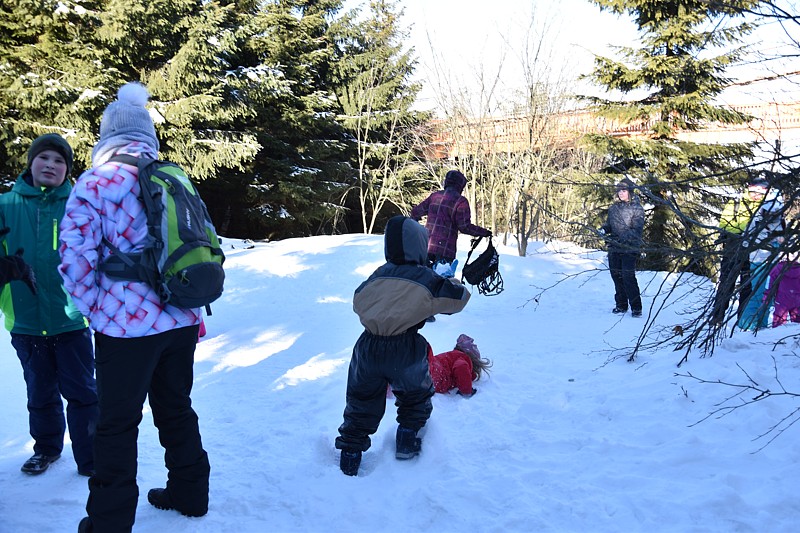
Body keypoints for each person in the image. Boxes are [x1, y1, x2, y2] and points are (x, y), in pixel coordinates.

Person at [58, 82, 210, 532]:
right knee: (176, 407)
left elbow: (74, 260)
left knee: (116, 424)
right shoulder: (173, 175)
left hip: (125, 329)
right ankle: (190, 493)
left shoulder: (94, 182)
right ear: (147, 135)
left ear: (105, 137)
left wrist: (90, 310)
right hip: (181, 317)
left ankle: (108, 521)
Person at [335, 215, 471, 476]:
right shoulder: (424, 277)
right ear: (419, 245)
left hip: (367, 348)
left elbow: (358, 300)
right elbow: (459, 299)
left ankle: (349, 456)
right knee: (415, 397)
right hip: (405, 348)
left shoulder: (378, 274)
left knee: (361, 401)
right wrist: (447, 281)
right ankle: (407, 443)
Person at [0, 133, 98, 478]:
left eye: (60, 161)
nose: (51, 165)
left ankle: (90, 457)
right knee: (39, 393)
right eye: (44, 158)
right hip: (25, 319)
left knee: (83, 392)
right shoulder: (4, 205)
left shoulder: (80, 205)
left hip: (70, 319)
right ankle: (46, 449)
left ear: (67, 170)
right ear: (31, 162)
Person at [410, 169, 492, 269]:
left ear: (447, 182)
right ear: (460, 185)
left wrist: (419, 231)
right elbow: (464, 227)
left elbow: (415, 212)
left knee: (425, 280)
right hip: (446, 252)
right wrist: (484, 232)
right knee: (441, 282)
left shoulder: (434, 196)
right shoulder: (461, 201)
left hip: (426, 248)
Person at [711, 180, 764, 324]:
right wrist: (746, 230)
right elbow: (725, 225)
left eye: (760, 192)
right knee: (726, 283)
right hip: (733, 249)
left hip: (754, 252)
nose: (756, 195)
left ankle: (743, 319)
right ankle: (717, 316)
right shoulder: (735, 203)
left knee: (748, 286)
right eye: (754, 191)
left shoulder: (767, 208)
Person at [738, 183, 784, 331]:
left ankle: (761, 326)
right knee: (757, 294)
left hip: (773, 263)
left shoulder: (780, 220)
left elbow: (784, 239)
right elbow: (745, 241)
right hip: (758, 261)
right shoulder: (756, 219)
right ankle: (747, 326)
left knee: (768, 295)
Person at [599, 178, 645, 317]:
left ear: (630, 191)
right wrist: (603, 230)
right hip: (614, 248)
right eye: (619, 190)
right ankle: (621, 305)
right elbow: (609, 225)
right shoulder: (613, 208)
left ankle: (636, 307)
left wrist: (621, 239)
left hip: (629, 248)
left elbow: (636, 229)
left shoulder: (637, 208)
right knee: (616, 276)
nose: (621, 193)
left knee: (628, 276)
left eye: (624, 190)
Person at [764, 256, 800, 327]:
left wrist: (766, 296)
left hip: (782, 298)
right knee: (798, 319)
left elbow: (769, 282)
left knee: (779, 319)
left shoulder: (778, 268)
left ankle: (777, 334)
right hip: (797, 298)